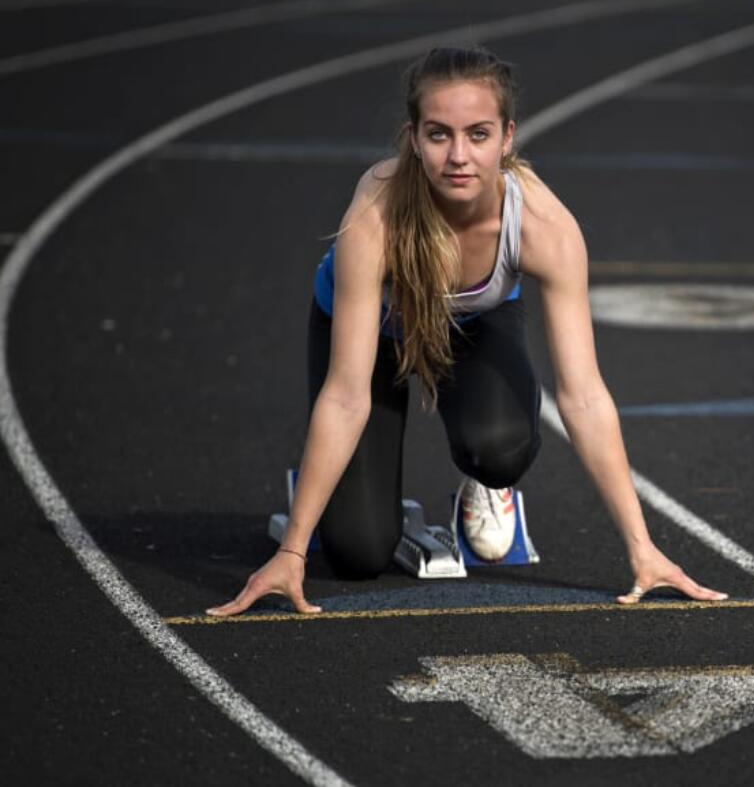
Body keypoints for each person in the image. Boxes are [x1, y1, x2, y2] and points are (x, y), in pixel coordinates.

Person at [206, 46, 726, 618]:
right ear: (412, 137)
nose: (458, 156)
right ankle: (321, 495)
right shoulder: (376, 216)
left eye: (477, 135)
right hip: (373, 335)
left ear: (507, 138)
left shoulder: (544, 229)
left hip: (473, 326)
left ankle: (487, 487)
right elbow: (348, 394)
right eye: (438, 135)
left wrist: (642, 549)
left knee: (500, 446)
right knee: (356, 553)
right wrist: (292, 549)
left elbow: (583, 396)